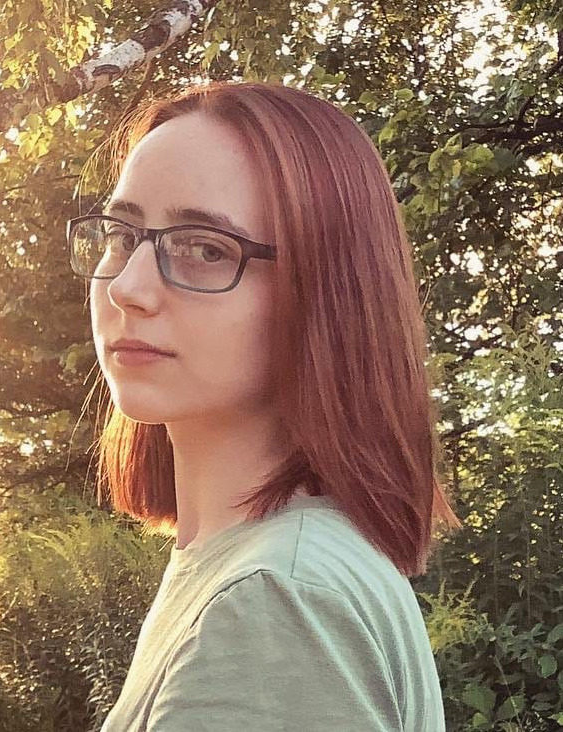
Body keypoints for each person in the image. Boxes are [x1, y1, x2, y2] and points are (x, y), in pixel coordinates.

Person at [67, 80, 461, 731]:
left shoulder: (274, 600)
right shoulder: (252, 564)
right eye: (121, 234)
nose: (127, 287)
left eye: (205, 248)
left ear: (325, 295)